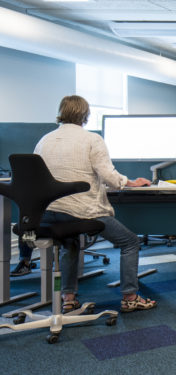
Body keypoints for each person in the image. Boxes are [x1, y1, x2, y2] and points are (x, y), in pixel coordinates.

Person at [34, 95, 157, 313]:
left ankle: (68, 298)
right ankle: (130, 297)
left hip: (49, 212)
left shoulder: (44, 141)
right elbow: (109, 176)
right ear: (86, 116)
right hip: (82, 212)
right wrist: (131, 182)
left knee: (69, 242)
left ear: (61, 113)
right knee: (130, 242)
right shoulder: (92, 140)